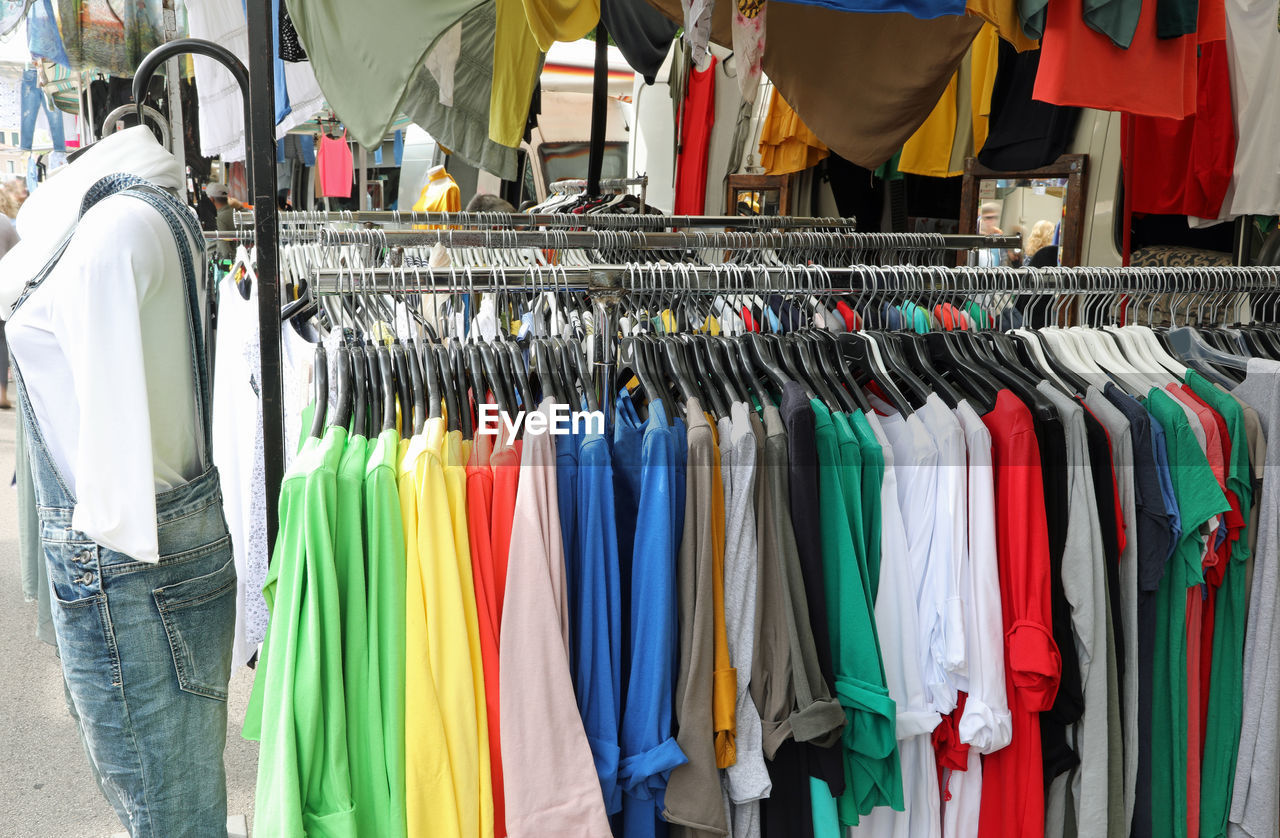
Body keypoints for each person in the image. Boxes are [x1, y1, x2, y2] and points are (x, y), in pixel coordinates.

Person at [0, 183, 20, 409]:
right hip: (1, 289)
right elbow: (19, 254)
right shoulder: (4, 222)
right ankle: (2, 392)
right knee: (1, 342)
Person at [208, 182, 236, 262]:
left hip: (230, 265)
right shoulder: (236, 212)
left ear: (211, 199)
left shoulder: (221, 218)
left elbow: (225, 252)